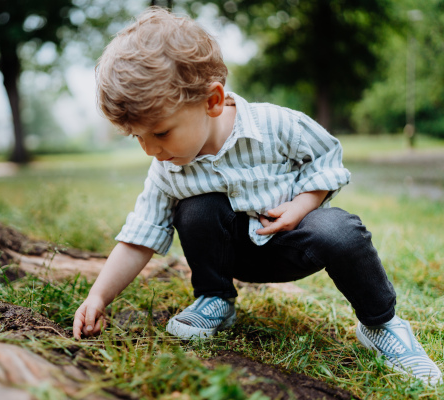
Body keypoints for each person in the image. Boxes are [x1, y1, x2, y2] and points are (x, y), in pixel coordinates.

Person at [72, 7, 442, 385]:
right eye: (139, 137)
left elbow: (328, 157)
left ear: (212, 101)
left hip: (291, 241)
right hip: (232, 255)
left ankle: (381, 325)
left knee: (341, 230)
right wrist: (100, 296)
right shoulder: (167, 169)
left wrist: (301, 206)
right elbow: (140, 234)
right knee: (197, 207)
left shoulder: (276, 124)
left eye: (161, 133)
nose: (151, 150)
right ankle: (215, 299)